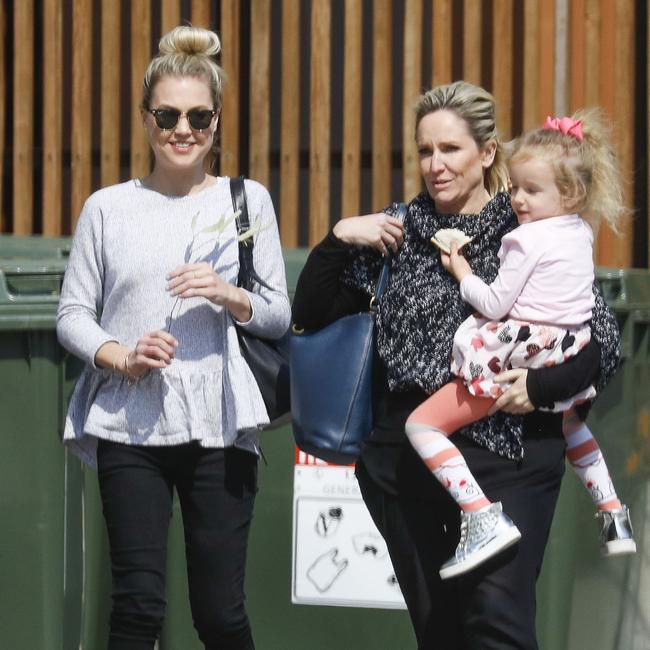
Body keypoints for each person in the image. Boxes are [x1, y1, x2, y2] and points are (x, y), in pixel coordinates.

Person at [291, 81, 621, 649]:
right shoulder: (397, 230)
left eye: (451, 149)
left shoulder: (528, 224)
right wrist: (340, 238)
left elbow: (602, 344)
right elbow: (311, 314)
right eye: (425, 151)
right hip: (407, 462)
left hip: (507, 452)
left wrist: (540, 387)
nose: (435, 165)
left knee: (497, 624)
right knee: (438, 633)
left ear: (487, 152)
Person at [57, 26, 290, 650]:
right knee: (136, 607)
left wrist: (227, 293)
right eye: (166, 114)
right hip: (129, 422)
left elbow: (277, 315)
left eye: (198, 115)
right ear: (145, 119)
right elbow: (72, 314)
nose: (182, 129)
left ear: (216, 120)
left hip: (219, 420)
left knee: (219, 614)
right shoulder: (107, 208)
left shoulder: (249, 202)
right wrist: (122, 355)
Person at [405, 110, 635, 580]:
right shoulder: (580, 231)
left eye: (531, 190)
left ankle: (480, 514)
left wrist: (462, 271)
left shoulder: (524, 240)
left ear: (569, 193)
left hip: (520, 351)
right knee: (571, 423)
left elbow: (494, 302)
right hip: (568, 347)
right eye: (515, 188)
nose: (517, 199)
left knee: (422, 426)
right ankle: (611, 511)